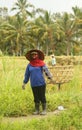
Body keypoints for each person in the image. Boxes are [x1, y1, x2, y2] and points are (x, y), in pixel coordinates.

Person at [22, 49, 53, 115]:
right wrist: (24, 83)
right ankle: (37, 110)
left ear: (38, 55)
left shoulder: (41, 63)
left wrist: (50, 77)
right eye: (32, 54)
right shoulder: (29, 65)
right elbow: (27, 74)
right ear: (31, 55)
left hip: (41, 83)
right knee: (36, 97)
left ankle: (44, 110)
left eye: (35, 54)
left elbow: (46, 71)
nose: (34, 55)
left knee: (42, 96)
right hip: (33, 84)